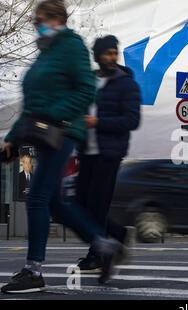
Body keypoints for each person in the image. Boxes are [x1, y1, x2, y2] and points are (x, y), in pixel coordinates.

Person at [1, 0, 124, 294]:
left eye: (38, 20)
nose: (35, 25)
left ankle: (34, 270)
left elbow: (85, 90)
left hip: (63, 131)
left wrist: (55, 115)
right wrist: (13, 137)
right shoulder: (46, 53)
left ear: (56, 19)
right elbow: (32, 105)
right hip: (44, 132)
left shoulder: (72, 47)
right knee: (54, 202)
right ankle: (105, 244)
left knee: (38, 197)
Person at [75, 35, 141, 273]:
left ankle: (97, 255)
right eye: (107, 53)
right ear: (98, 57)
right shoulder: (90, 81)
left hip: (109, 154)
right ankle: (118, 234)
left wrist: (98, 122)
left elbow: (132, 120)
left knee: (97, 206)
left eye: (115, 53)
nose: (112, 57)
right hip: (87, 152)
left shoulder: (127, 84)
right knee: (80, 205)